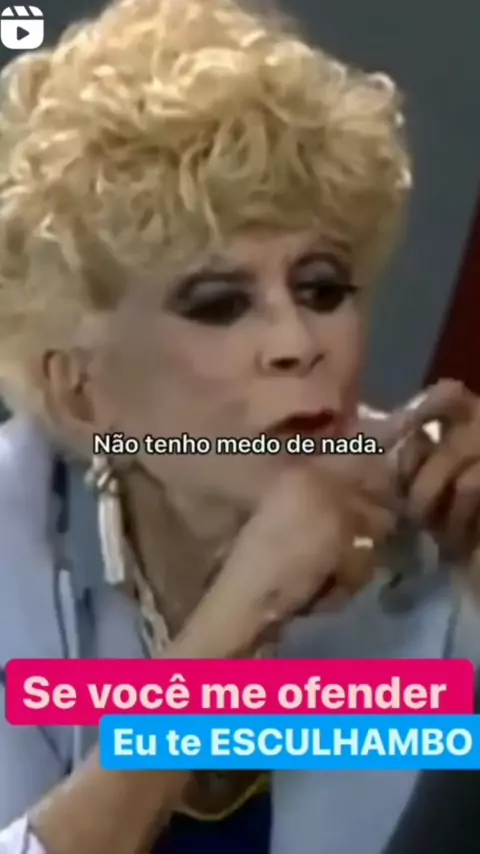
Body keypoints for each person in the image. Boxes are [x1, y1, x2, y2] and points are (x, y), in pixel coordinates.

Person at [2, 0, 480, 852]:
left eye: (322, 289)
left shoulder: (436, 541)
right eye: (220, 305)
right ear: (84, 396)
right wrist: (235, 622)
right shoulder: (14, 535)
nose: (298, 343)